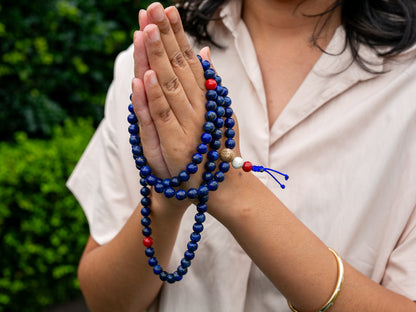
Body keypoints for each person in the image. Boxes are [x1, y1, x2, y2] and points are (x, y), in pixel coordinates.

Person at [67, 0, 416, 311]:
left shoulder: (406, 85)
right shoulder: (157, 68)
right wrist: (166, 197)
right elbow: (105, 300)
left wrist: (230, 189)